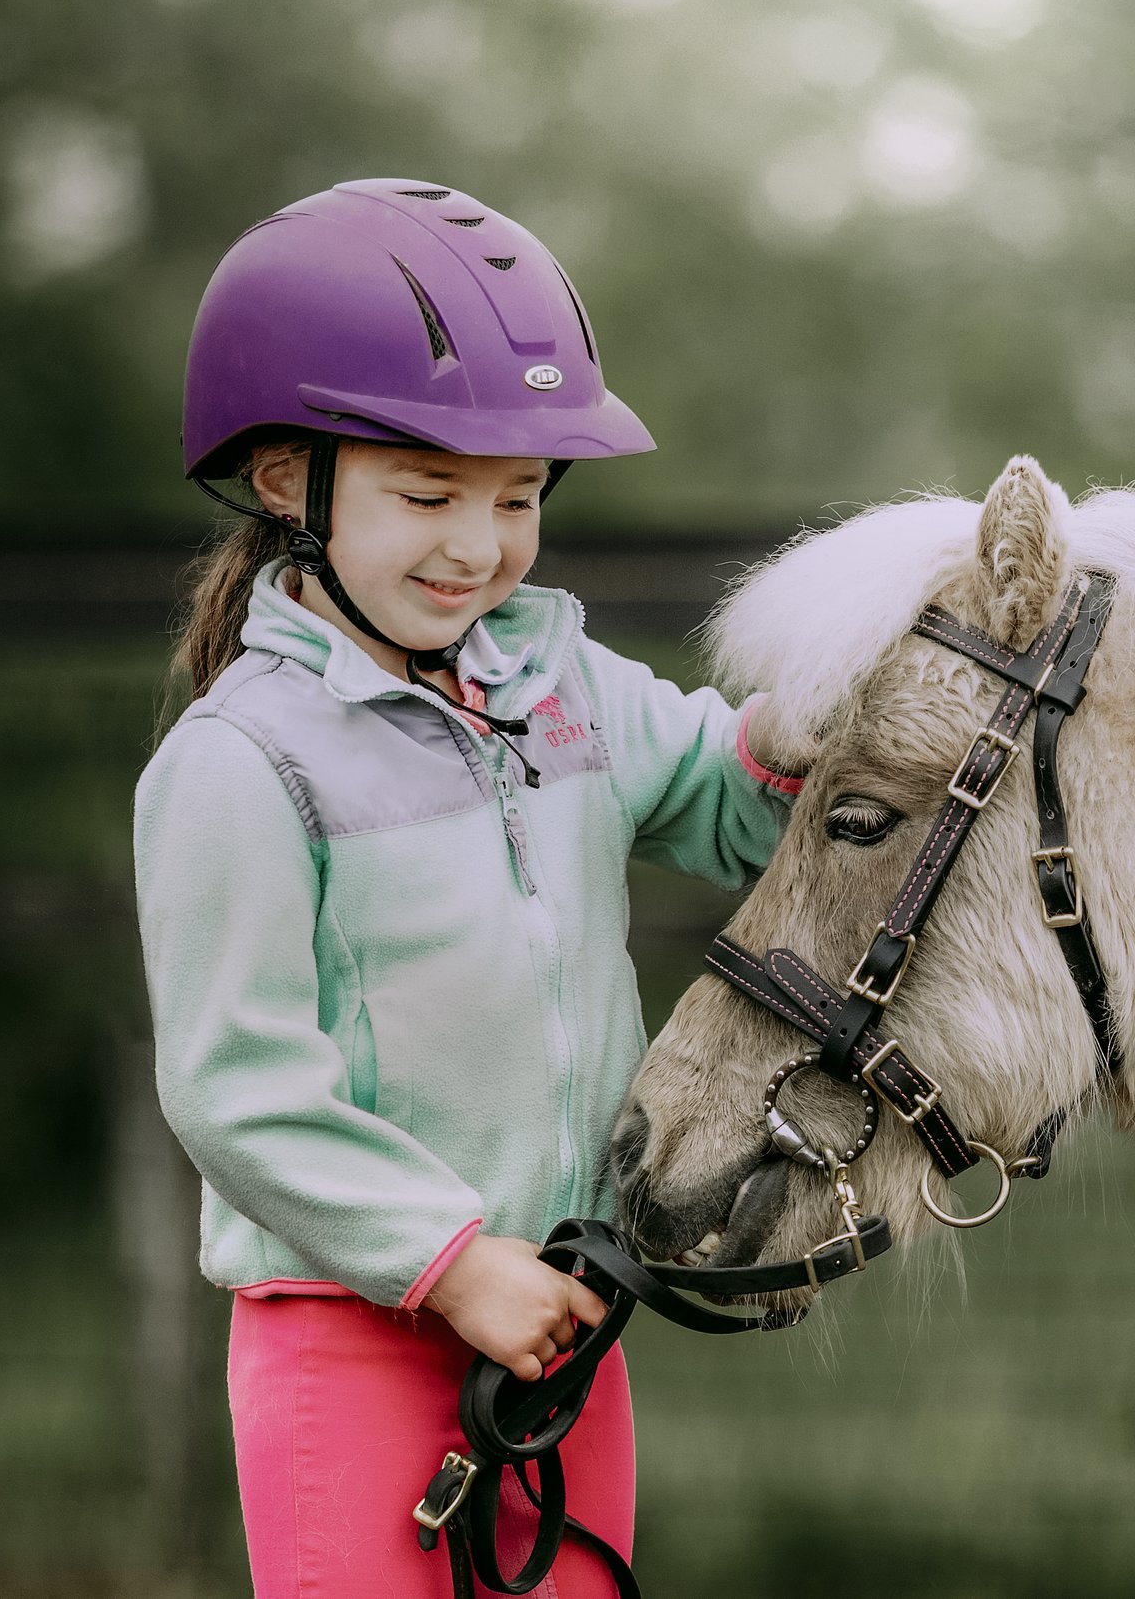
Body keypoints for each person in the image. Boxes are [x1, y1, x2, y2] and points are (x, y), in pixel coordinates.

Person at [133, 178, 801, 1599]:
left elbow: (739, 811)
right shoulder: (240, 763)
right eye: (427, 494)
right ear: (283, 481)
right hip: (354, 1330)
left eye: (515, 499)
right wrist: (448, 1265)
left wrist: (829, 729)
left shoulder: (562, 688)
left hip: (564, 1315)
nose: (478, 547)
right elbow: (235, 1088)